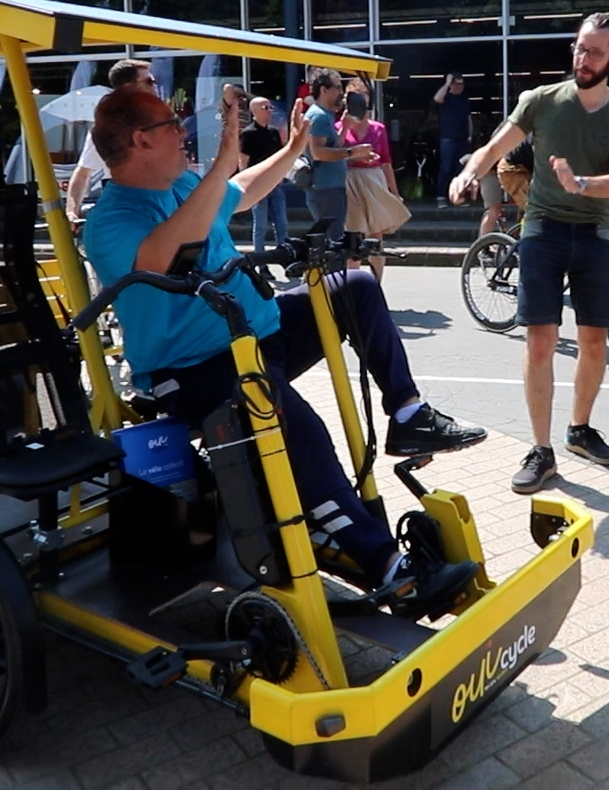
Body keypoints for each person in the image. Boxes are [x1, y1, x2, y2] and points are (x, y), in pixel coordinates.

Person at [80, 87, 486, 614]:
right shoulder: (109, 222)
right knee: (298, 428)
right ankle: (392, 571)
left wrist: (293, 148)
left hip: (255, 335)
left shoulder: (182, 182)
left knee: (355, 287)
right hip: (193, 369)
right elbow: (164, 255)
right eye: (170, 125)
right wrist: (222, 162)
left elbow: (240, 192)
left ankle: (408, 415)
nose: (183, 132)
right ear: (140, 140)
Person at [451, 13, 609, 494]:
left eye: (595, 51)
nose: (583, 58)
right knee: (540, 339)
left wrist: (579, 183)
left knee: (595, 341)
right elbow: (494, 147)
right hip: (542, 229)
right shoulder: (541, 101)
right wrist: (471, 173)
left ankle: (579, 430)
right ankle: (541, 450)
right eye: (579, 47)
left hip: (593, 232)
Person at [67, 59, 158, 225]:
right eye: (149, 82)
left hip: (163, 207)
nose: (155, 86)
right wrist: (72, 211)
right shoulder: (109, 128)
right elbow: (82, 173)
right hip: (129, 213)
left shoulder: (162, 122)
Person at [339, 91, 411, 280]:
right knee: (353, 235)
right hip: (350, 180)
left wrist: (394, 192)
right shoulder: (339, 127)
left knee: (375, 235)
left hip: (373, 179)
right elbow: (333, 152)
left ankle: (376, 284)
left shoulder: (378, 128)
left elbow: (386, 162)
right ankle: (355, 285)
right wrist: (345, 128)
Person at [302, 70, 372, 240]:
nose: (341, 93)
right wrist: (352, 152)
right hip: (325, 189)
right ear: (323, 90)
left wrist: (345, 128)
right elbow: (318, 153)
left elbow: (332, 146)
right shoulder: (318, 116)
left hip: (331, 188)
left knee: (334, 239)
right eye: (337, 87)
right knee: (333, 242)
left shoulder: (326, 114)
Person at [239, 96, 289, 252]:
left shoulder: (273, 132)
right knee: (260, 225)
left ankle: (285, 255)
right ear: (254, 111)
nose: (269, 111)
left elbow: (279, 156)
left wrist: (281, 175)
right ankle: (260, 261)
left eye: (270, 108)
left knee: (281, 222)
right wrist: (246, 185)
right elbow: (243, 160)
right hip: (257, 185)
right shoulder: (248, 133)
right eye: (265, 108)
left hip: (274, 183)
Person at [432, 74, 472, 206]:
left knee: (461, 169)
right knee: (446, 168)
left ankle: (458, 197)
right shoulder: (446, 97)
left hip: (463, 139)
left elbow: (468, 118)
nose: (459, 86)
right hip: (448, 139)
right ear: (451, 85)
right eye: (456, 84)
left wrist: (470, 135)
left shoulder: (465, 99)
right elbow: (437, 98)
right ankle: (441, 197)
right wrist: (447, 83)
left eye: (461, 84)